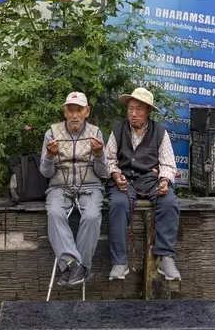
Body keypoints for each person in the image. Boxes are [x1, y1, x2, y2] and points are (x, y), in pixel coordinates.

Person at [105, 87, 181, 281]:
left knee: (169, 202)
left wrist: (164, 181)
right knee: (118, 204)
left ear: (148, 110)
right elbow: (109, 159)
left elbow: (168, 164)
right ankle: (120, 262)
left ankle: (165, 257)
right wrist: (115, 174)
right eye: (130, 109)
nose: (133, 113)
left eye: (138, 109)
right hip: (125, 181)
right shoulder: (118, 129)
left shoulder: (160, 131)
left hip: (150, 180)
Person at [39, 92, 108, 287]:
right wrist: (50, 156)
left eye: (79, 110)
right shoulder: (52, 132)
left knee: (93, 216)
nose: (75, 115)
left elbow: (103, 172)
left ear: (87, 112)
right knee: (54, 213)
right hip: (59, 187)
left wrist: (100, 153)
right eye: (71, 110)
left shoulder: (96, 133)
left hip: (90, 186)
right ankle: (74, 265)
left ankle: (77, 269)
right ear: (64, 111)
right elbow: (45, 172)